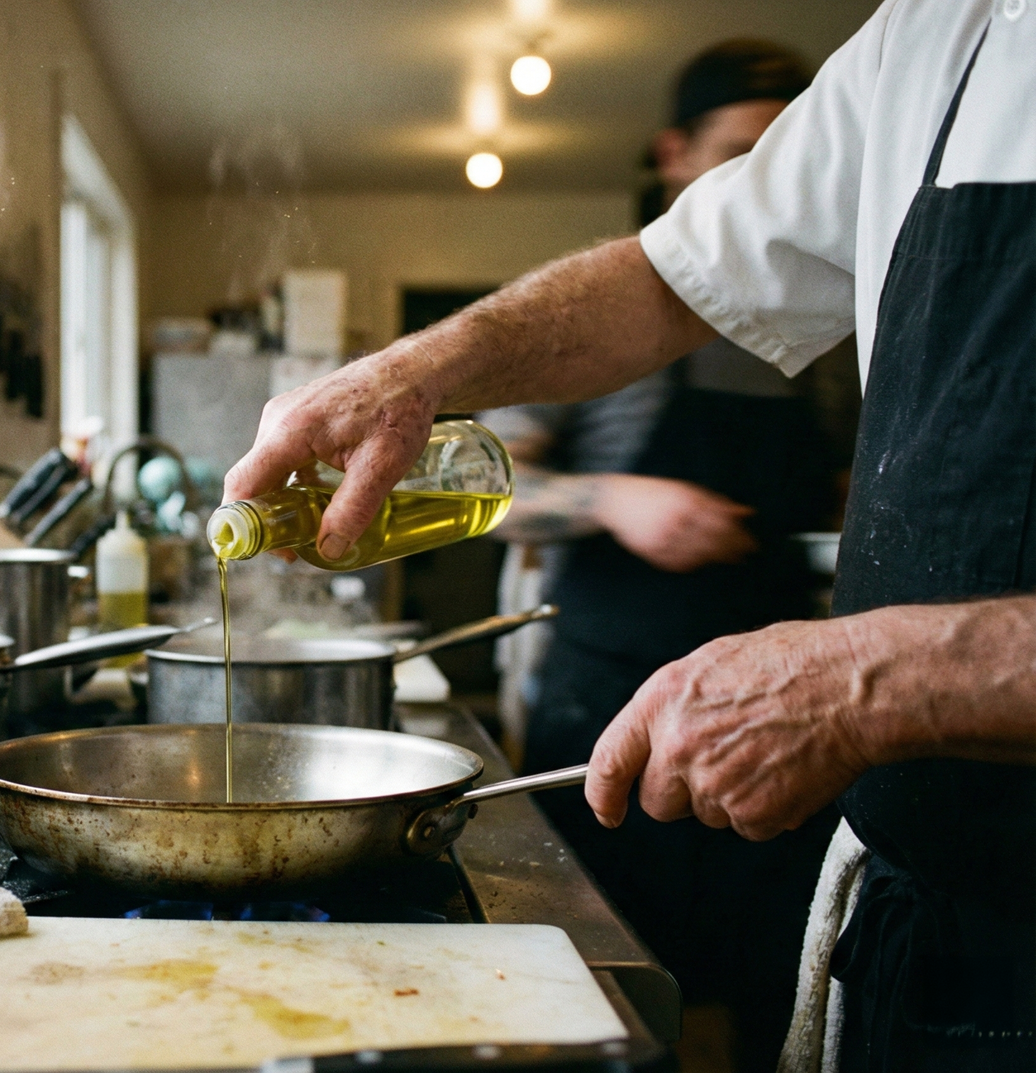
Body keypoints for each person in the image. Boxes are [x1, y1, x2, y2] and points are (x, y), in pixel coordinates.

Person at [224, 2, 1036, 1069]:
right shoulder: (933, 33)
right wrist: (413, 372)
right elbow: (666, 281)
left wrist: (861, 674)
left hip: (804, 708)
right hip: (850, 834)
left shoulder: (819, 356)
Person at [476, 40, 842, 1071]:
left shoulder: (825, 327)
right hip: (608, 704)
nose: (766, 184)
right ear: (673, 154)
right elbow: (483, 493)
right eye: (738, 153)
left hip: (778, 712)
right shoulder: (599, 320)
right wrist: (612, 498)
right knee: (609, 998)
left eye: (788, 156)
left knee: (776, 990)